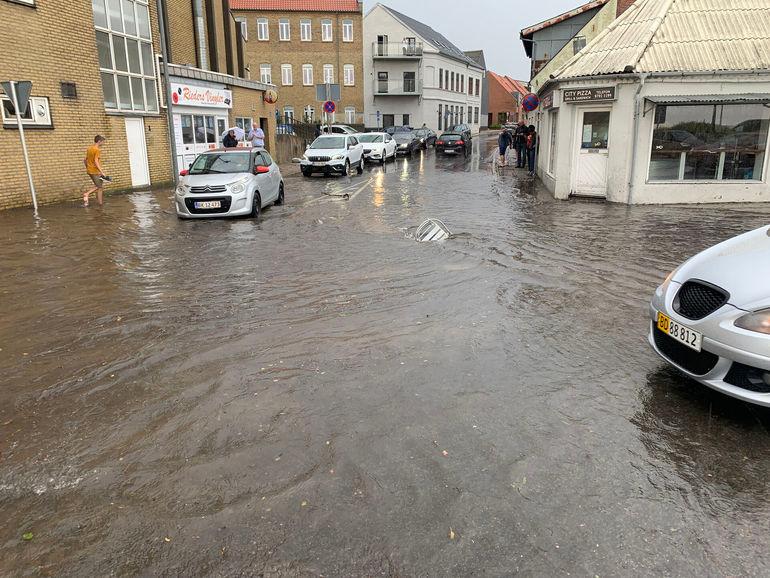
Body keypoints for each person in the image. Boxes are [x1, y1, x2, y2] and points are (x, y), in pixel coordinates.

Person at [83, 135, 107, 207]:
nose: (103, 143)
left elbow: (85, 160)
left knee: (99, 186)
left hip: (90, 170)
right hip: (95, 171)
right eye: (102, 142)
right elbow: (96, 161)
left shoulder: (89, 148)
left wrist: (87, 167)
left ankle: (100, 203)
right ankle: (87, 194)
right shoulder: (97, 150)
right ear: (99, 141)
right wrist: (102, 172)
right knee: (99, 187)